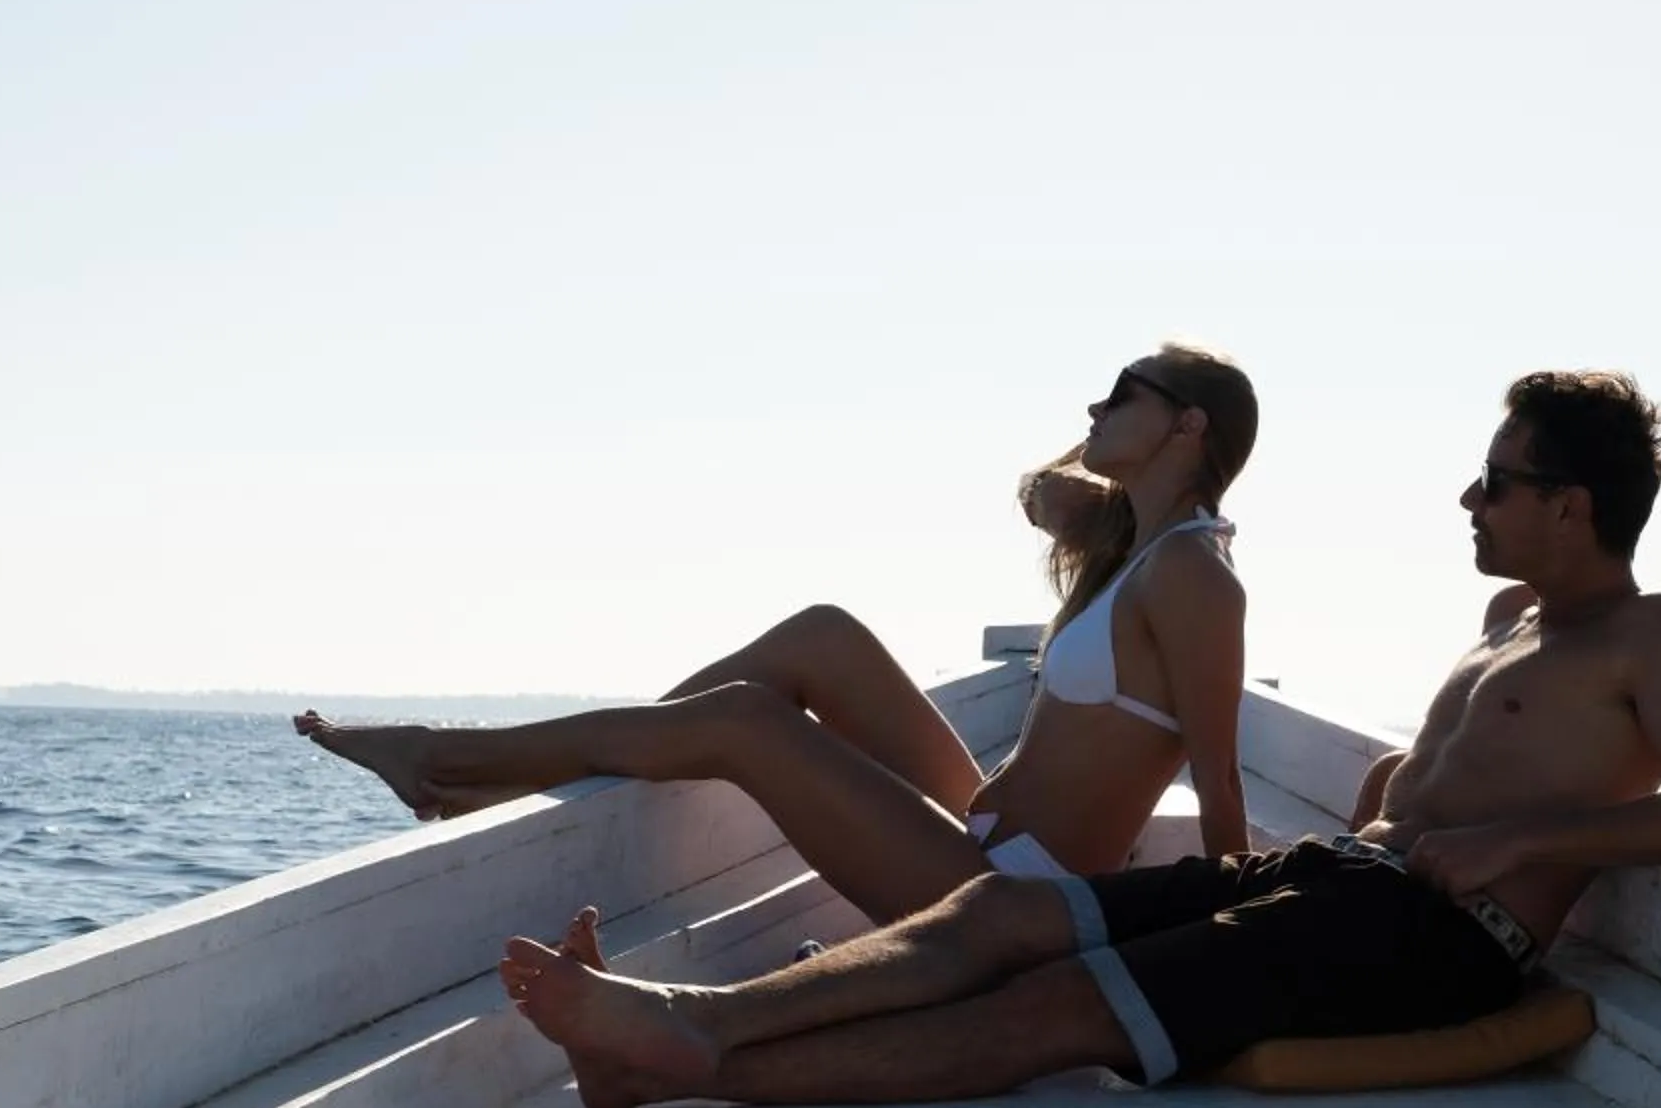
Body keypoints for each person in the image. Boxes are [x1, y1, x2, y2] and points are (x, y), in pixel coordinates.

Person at [498, 368, 1661, 1108]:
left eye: (1496, 481)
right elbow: (1472, 764)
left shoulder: (1656, 636)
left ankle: (684, 1051)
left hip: (1438, 941)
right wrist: (1403, 795)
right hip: (1343, 879)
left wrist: (1520, 837)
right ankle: (683, 1024)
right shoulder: (1509, 619)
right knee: (999, 926)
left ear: (1572, 503)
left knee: (1054, 1012)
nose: (1469, 498)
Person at [294, 343, 1258, 927]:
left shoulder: (1195, 578)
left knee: (751, 723)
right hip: (982, 831)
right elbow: (1037, 491)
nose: (1093, 406)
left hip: (1016, 895)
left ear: (1187, 426)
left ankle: (440, 759)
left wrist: (1240, 942)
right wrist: (1116, 463)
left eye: (1122, 390)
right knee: (825, 635)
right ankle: (528, 777)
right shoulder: (1134, 545)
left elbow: (1218, 779)